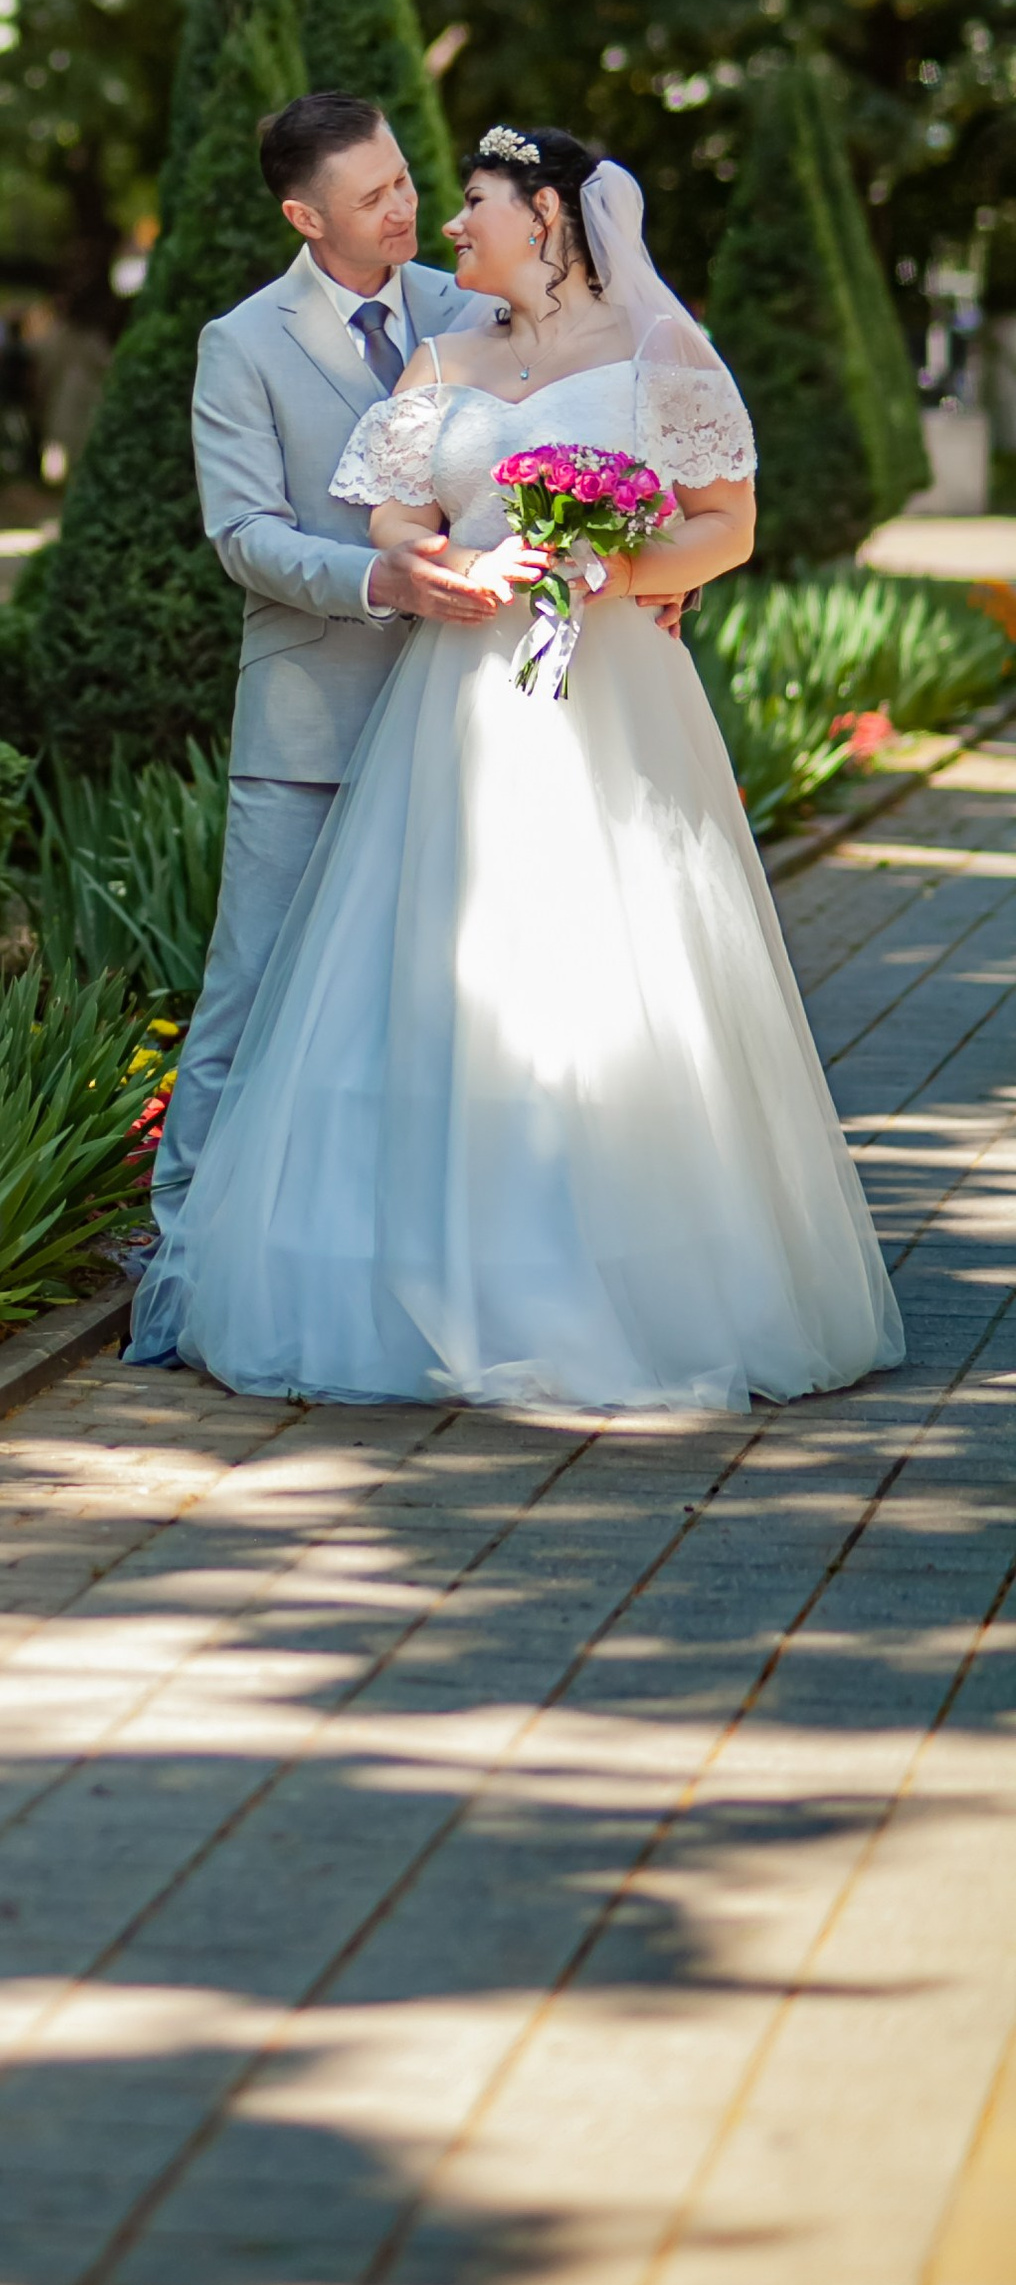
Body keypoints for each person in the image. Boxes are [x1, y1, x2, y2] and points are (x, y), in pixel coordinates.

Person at [145, 124, 902, 1409]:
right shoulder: (423, 349)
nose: (434, 217)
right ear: (305, 217)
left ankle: (619, 1275)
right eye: (389, 193)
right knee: (373, 985)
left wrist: (626, 570)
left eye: (458, 196)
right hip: (445, 705)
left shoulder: (647, 344)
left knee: (606, 967)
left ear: (544, 216)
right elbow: (372, 511)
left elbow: (722, 523)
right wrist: (441, 560)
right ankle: (213, 1279)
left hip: (609, 700)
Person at [131, 90, 496, 1312]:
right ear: (305, 217)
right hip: (309, 726)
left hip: (470, 720)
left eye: (404, 180)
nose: (404, 208)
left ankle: (399, 1269)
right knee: (249, 995)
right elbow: (242, 533)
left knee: (444, 1005)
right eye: (372, 195)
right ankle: (181, 1271)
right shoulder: (241, 343)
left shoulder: (475, 306)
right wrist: (377, 579)